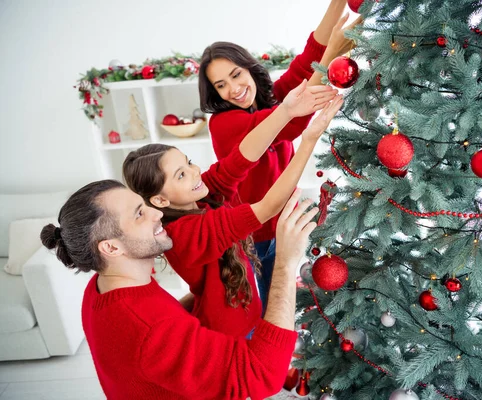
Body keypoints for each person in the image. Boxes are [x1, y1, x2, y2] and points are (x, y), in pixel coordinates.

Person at [40, 183, 317, 399]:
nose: (158, 212)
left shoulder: (102, 287)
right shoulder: (150, 328)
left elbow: (162, 327)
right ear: (111, 247)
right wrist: (286, 261)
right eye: (139, 214)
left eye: (143, 205)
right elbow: (264, 375)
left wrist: (210, 297)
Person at [122, 94, 343, 340]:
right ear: (161, 200)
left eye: (189, 163)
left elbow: (240, 159)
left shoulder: (198, 197)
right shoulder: (186, 232)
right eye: (181, 175)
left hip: (247, 318)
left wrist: (285, 112)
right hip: (230, 335)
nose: (195, 172)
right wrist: (308, 141)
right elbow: (268, 206)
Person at [198, 0, 361, 311]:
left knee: (298, 299)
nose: (233, 88)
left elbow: (308, 59)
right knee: (277, 307)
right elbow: (294, 118)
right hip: (255, 237)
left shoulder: (267, 100)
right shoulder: (224, 124)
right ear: (214, 93)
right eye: (221, 85)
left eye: (236, 75)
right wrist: (331, 58)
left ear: (248, 68)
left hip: (286, 221)